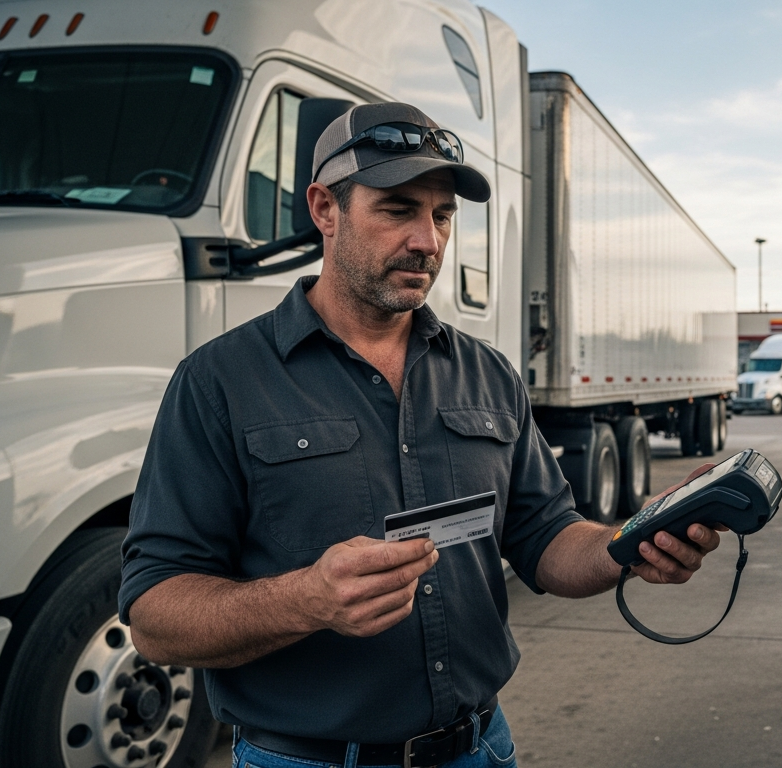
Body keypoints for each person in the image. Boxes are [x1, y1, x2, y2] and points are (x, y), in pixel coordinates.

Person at [119, 102, 722, 768]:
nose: (428, 242)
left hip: (482, 749)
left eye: (442, 216)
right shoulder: (220, 381)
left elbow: (546, 537)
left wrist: (630, 541)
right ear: (325, 209)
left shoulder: (488, 374)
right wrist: (308, 600)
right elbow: (155, 616)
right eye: (397, 209)